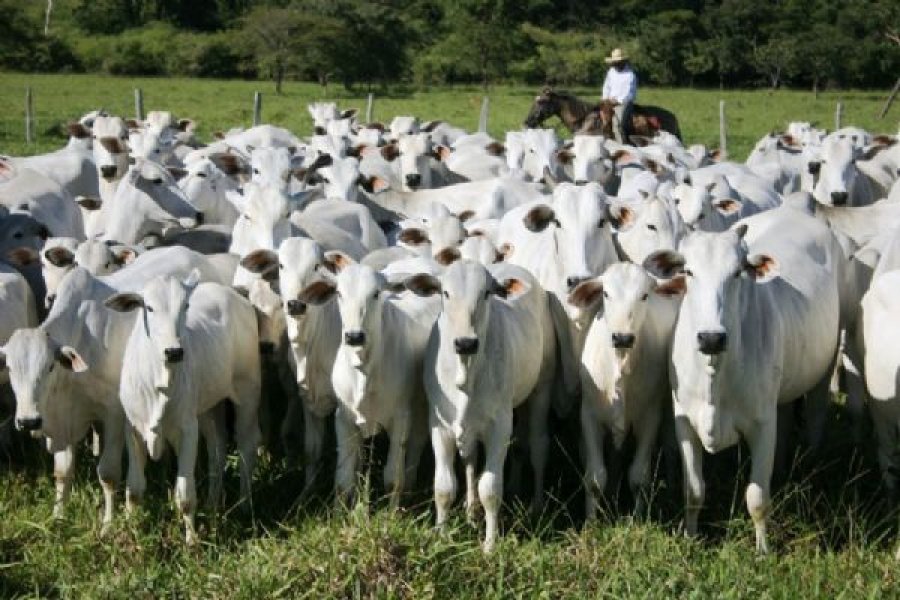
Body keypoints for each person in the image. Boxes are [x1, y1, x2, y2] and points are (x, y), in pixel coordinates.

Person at [601, 48, 637, 143]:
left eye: (617, 62)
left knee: (617, 123)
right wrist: (605, 98)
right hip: (609, 101)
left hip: (624, 103)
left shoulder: (630, 75)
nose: (615, 65)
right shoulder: (611, 72)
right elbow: (606, 86)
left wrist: (617, 101)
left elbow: (628, 93)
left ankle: (622, 146)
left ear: (623, 62)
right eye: (614, 62)